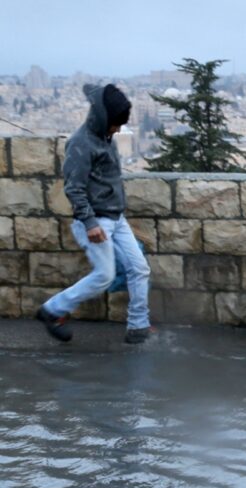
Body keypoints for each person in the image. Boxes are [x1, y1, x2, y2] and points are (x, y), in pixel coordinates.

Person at [36, 84, 151, 344]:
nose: (119, 130)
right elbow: (73, 188)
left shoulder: (104, 135)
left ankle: (138, 327)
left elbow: (96, 91)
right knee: (104, 276)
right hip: (96, 221)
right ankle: (52, 310)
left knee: (139, 268)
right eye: (116, 124)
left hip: (115, 218)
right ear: (103, 119)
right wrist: (89, 223)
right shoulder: (81, 143)